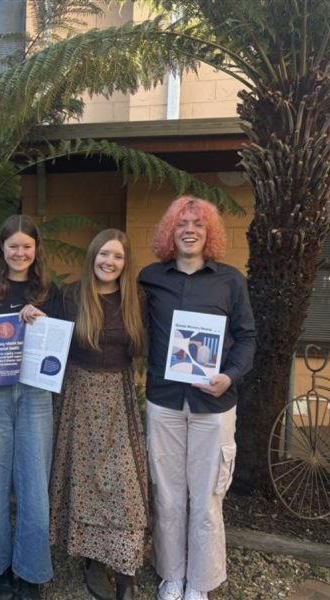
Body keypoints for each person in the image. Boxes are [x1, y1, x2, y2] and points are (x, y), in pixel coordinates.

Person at [139, 196, 256, 600]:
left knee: (206, 498)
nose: (190, 229)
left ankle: (200, 584)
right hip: (165, 402)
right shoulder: (150, 278)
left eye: (198, 224)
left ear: (210, 233)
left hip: (214, 404)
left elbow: (246, 336)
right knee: (168, 495)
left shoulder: (230, 281)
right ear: (170, 233)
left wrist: (231, 375)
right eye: (181, 223)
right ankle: (171, 576)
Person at [44, 229, 148, 600]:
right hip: (79, 394)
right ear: (93, 256)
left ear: (125, 262)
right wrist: (30, 315)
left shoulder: (135, 299)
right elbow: (49, 336)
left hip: (118, 396)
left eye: (118, 257)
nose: (110, 262)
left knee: (123, 483)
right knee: (85, 480)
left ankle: (125, 569)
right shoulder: (72, 295)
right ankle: (90, 557)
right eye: (104, 254)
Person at [0, 215, 58, 600]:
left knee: (33, 485)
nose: (20, 252)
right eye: (13, 246)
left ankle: (31, 571)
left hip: (35, 394)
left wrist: (42, 322)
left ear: (36, 249)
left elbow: (61, 344)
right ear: (2, 249)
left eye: (27, 246)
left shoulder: (50, 291)